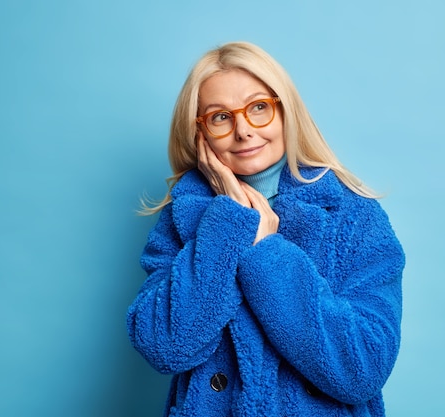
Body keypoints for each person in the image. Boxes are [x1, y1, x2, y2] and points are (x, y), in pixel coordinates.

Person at [127, 41, 405, 417]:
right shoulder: (182, 217)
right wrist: (228, 223)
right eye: (220, 117)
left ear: (285, 112)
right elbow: (165, 346)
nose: (243, 130)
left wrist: (265, 251)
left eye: (259, 108)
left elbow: (361, 370)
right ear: (199, 134)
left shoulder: (354, 215)